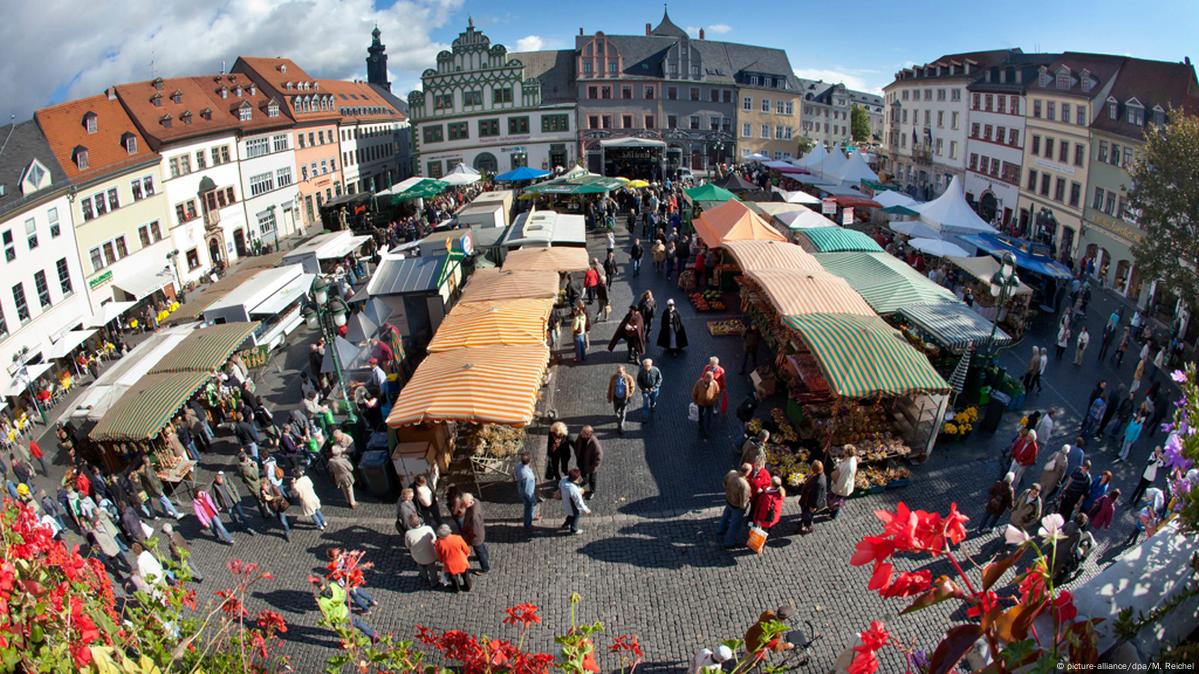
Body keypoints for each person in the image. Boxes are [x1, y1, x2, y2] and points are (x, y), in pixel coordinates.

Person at [717, 464, 753, 548]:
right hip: (737, 506)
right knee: (734, 525)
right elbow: (744, 500)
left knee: (725, 516)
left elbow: (724, 483)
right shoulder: (744, 485)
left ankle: (721, 530)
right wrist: (744, 508)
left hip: (729, 501)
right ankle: (729, 542)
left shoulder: (731, 473)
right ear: (747, 472)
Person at [403, 515, 439, 587]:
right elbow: (435, 539)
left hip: (418, 557)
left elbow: (407, 545)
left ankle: (424, 577)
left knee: (421, 566)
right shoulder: (428, 528)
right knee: (432, 569)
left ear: (410, 524)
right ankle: (434, 582)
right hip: (430, 555)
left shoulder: (408, 533)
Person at [434, 524, 472, 592]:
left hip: (450, 565)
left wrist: (441, 561)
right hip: (461, 562)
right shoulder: (458, 538)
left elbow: (439, 556)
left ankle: (456, 589)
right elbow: (466, 549)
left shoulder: (439, 543)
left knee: (454, 578)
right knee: (465, 576)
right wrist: (467, 554)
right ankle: (468, 587)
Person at [460, 493, 489, 573]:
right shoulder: (476, 501)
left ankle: (485, 568)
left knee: (479, 551)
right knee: (481, 548)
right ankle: (486, 556)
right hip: (480, 532)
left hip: (476, 537)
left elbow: (474, 531)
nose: (464, 506)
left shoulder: (474, 516)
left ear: (470, 502)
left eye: (465, 504)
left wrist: (467, 538)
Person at [828, 445, 858, 520]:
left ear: (847, 453)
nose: (842, 451)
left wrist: (839, 489)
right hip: (838, 483)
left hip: (840, 487)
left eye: (844, 450)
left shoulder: (849, 466)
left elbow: (844, 480)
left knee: (837, 502)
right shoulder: (850, 458)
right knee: (833, 499)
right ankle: (831, 508)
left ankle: (832, 515)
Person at [797, 461, 827, 535]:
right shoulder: (819, 475)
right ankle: (803, 521)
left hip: (809, 503)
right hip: (807, 500)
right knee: (805, 514)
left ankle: (808, 527)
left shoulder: (818, 483)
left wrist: (813, 506)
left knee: (808, 516)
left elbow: (817, 496)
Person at [574, 426, 603, 498]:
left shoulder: (594, 443)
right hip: (582, 462)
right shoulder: (581, 436)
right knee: (583, 474)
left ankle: (592, 491)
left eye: (583, 432)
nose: (581, 433)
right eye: (581, 431)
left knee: (592, 480)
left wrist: (592, 467)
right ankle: (585, 481)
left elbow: (599, 457)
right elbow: (577, 444)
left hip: (590, 467)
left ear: (588, 434)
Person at [559, 468, 591, 535]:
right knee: (575, 516)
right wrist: (586, 509)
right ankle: (573, 529)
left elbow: (560, 486)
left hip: (566, 503)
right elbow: (579, 502)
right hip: (573, 506)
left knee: (570, 515)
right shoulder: (573, 489)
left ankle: (566, 524)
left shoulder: (563, 480)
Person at [607, 365, 636, 435]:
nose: (618, 373)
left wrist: (630, 394)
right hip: (616, 398)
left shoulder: (628, 378)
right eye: (617, 372)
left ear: (624, 371)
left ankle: (620, 426)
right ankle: (619, 421)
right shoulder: (614, 377)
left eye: (620, 372)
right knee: (616, 412)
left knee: (623, 414)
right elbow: (610, 387)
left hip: (624, 399)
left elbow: (632, 386)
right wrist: (609, 397)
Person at [691, 371, 720, 440]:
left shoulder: (714, 383)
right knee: (700, 415)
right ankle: (701, 425)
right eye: (710, 380)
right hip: (700, 403)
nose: (711, 381)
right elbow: (694, 392)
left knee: (709, 417)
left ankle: (707, 431)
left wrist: (713, 400)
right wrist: (695, 401)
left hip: (710, 404)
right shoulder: (699, 383)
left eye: (712, 380)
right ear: (705, 378)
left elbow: (717, 392)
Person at [515, 452, 539, 531]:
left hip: (521, 488)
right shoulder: (527, 476)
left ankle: (533, 515)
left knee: (534, 503)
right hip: (528, 493)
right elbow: (527, 491)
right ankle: (528, 525)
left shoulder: (518, 466)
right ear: (530, 461)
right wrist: (531, 498)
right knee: (528, 508)